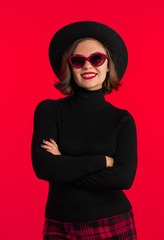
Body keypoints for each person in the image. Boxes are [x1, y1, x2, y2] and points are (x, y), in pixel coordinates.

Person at [31, 21, 138, 239]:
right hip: (59, 226)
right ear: (69, 66)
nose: (88, 66)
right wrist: (101, 162)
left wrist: (63, 162)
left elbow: (124, 179)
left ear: (108, 65)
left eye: (96, 59)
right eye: (78, 61)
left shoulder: (122, 119)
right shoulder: (49, 110)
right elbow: (44, 167)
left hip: (112, 224)